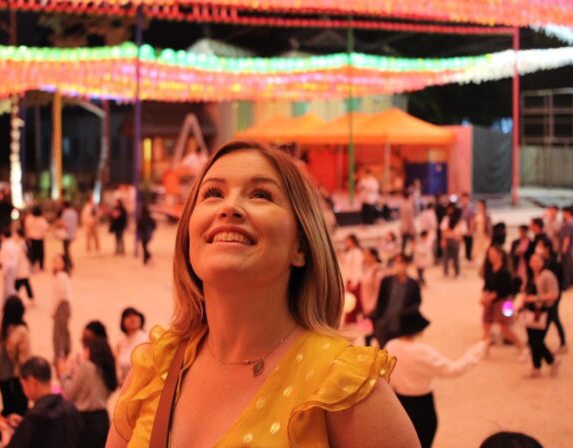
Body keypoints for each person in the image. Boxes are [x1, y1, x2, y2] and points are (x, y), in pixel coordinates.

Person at [106, 141, 417, 447]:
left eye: (260, 194)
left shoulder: (344, 388)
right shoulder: (153, 368)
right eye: (213, 193)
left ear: (301, 246)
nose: (229, 207)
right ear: (189, 234)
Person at [386, 311, 487, 448]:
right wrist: (479, 349)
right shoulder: (422, 352)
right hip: (422, 404)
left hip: (399, 403)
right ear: (419, 330)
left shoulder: (391, 346)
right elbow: (453, 370)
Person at [0, 357, 82, 448]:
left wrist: (5, 433)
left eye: (23, 384)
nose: (23, 390)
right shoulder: (70, 407)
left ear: (32, 382)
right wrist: (23, 425)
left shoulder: (34, 419)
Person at [60, 335, 118, 448]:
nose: (83, 353)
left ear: (91, 351)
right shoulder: (105, 369)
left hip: (85, 421)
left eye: (85, 349)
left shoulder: (87, 366)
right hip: (102, 418)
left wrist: (64, 373)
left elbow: (69, 393)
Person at [521, 254, 561, 378]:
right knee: (532, 340)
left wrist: (535, 298)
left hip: (544, 311)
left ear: (543, 262)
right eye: (532, 260)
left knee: (537, 340)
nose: (534, 263)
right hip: (530, 312)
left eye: (537, 261)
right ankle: (536, 367)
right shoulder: (531, 276)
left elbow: (554, 294)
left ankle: (552, 360)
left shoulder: (547, 275)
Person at [371, 253, 422, 348]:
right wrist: (378, 320)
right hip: (384, 324)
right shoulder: (386, 281)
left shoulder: (413, 284)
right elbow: (380, 301)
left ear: (406, 264)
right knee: (383, 352)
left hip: (401, 326)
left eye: (401, 262)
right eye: (396, 262)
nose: (398, 265)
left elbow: (417, 302)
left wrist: (406, 314)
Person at [0, 296, 32, 417]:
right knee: (20, 408)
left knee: (7, 404)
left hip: (1, 373)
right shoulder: (22, 331)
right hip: (17, 375)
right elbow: (24, 358)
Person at [480, 245, 524, 351]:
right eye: (489, 254)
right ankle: (484, 350)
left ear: (499, 255)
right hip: (490, 301)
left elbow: (505, 290)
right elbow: (486, 286)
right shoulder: (489, 270)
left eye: (492, 254)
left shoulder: (505, 272)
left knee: (505, 328)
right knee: (486, 325)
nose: (490, 256)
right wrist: (484, 296)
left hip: (504, 302)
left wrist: (491, 297)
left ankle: (521, 347)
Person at [114, 307, 149, 385]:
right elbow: (118, 368)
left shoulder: (147, 338)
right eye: (128, 316)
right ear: (122, 322)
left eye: (135, 315)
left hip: (143, 385)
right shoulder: (120, 343)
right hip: (126, 385)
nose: (132, 319)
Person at [51, 254, 72, 363]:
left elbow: (59, 295)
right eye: (55, 262)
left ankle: (59, 356)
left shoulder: (61, 276)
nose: (56, 264)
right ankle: (65, 352)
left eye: (59, 262)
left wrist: (53, 310)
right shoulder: (63, 276)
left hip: (61, 305)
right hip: (65, 305)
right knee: (64, 330)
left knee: (58, 333)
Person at [440, 204, 464, 278]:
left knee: (455, 258)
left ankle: (457, 272)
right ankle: (446, 273)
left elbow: (461, 231)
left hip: (455, 240)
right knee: (446, 258)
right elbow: (443, 230)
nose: (449, 210)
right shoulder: (446, 218)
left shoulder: (458, 220)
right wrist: (443, 239)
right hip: (448, 240)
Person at [13, 229, 34, 304]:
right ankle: (31, 298)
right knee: (25, 283)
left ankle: (13, 298)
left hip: (21, 269)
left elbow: (18, 258)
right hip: (23, 268)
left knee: (19, 284)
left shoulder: (20, 245)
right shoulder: (22, 244)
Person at [25, 206, 48, 272]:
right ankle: (41, 266)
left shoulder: (30, 219)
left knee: (33, 252)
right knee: (40, 253)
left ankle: (32, 265)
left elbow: (27, 227)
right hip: (40, 238)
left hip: (32, 238)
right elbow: (45, 228)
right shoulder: (41, 220)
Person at [0, 229, 20, 302]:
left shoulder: (6, 245)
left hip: (9, 268)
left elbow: (6, 260)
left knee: (9, 288)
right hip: (13, 267)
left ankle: (16, 301)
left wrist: (4, 271)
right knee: (8, 288)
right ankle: (6, 303)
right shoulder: (13, 244)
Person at [559, 206, 573, 290]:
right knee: (569, 267)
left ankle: (566, 285)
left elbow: (567, 238)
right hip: (570, 248)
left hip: (567, 249)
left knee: (566, 267)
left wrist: (563, 249)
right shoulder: (572, 221)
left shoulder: (568, 223)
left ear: (567, 213)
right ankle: (571, 283)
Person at [58, 200, 78, 269]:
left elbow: (64, 224)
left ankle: (69, 263)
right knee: (67, 249)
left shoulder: (65, 213)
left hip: (66, 234)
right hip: (72, 233)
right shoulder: (74, 212)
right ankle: (69, 263)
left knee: (66, 250)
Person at [511, 225, 532, 290]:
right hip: (518, 264)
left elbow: (531, 254)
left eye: (523, 231)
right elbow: (511, 254)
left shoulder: (531, 242)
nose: (521, 233)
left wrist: (524, 253)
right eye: (520, 231)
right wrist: (516, 253)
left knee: (526, 280)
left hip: (527, 264)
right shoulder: (515, 242)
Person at [473, 200, 492, 266]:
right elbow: (474, 225)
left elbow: (489, 227)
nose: (479, 207)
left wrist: (489, 236)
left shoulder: (486, 215)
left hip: (484, 234)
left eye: (480, 205)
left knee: (484, 248)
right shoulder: (476, 215)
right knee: (477, 248)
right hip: (478, 234)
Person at [459, 193, 475, 263]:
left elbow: (472, 221)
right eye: (462, 199)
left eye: (465, 199)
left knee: (468, 246)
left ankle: (468, 259)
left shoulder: (470, 210)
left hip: (468, 231)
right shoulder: (460, 209)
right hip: (461, 231)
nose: (464, 201)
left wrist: (470, 230)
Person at [400, 191, 416, 255]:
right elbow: (410, 219)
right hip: (408, 227)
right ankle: (410, 256)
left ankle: (403, 256)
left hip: (403, 226)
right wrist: (412, 228)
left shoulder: (402, 205)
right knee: (412, 242)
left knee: (404, 243)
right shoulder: (409, 206)